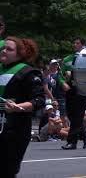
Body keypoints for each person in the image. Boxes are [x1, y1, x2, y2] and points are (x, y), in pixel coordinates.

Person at [0, 36, 45, 177]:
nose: (4, 51)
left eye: (9, 49)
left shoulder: (28, 73)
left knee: (6, 171)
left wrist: (18, 106)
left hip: (14, 130)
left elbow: (39, 100)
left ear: (19, 53)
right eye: (3, 48)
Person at [61, 38, 86, 150]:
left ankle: (72, 142)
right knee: (71, 115)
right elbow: (60, 74)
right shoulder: (68, 59)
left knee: (78, 115)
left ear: (82, 45)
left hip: (82, 88)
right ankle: (85, 135)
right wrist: (62, 82)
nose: (74, 44)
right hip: (70, 89)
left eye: (77, 43)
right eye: (74, 42)